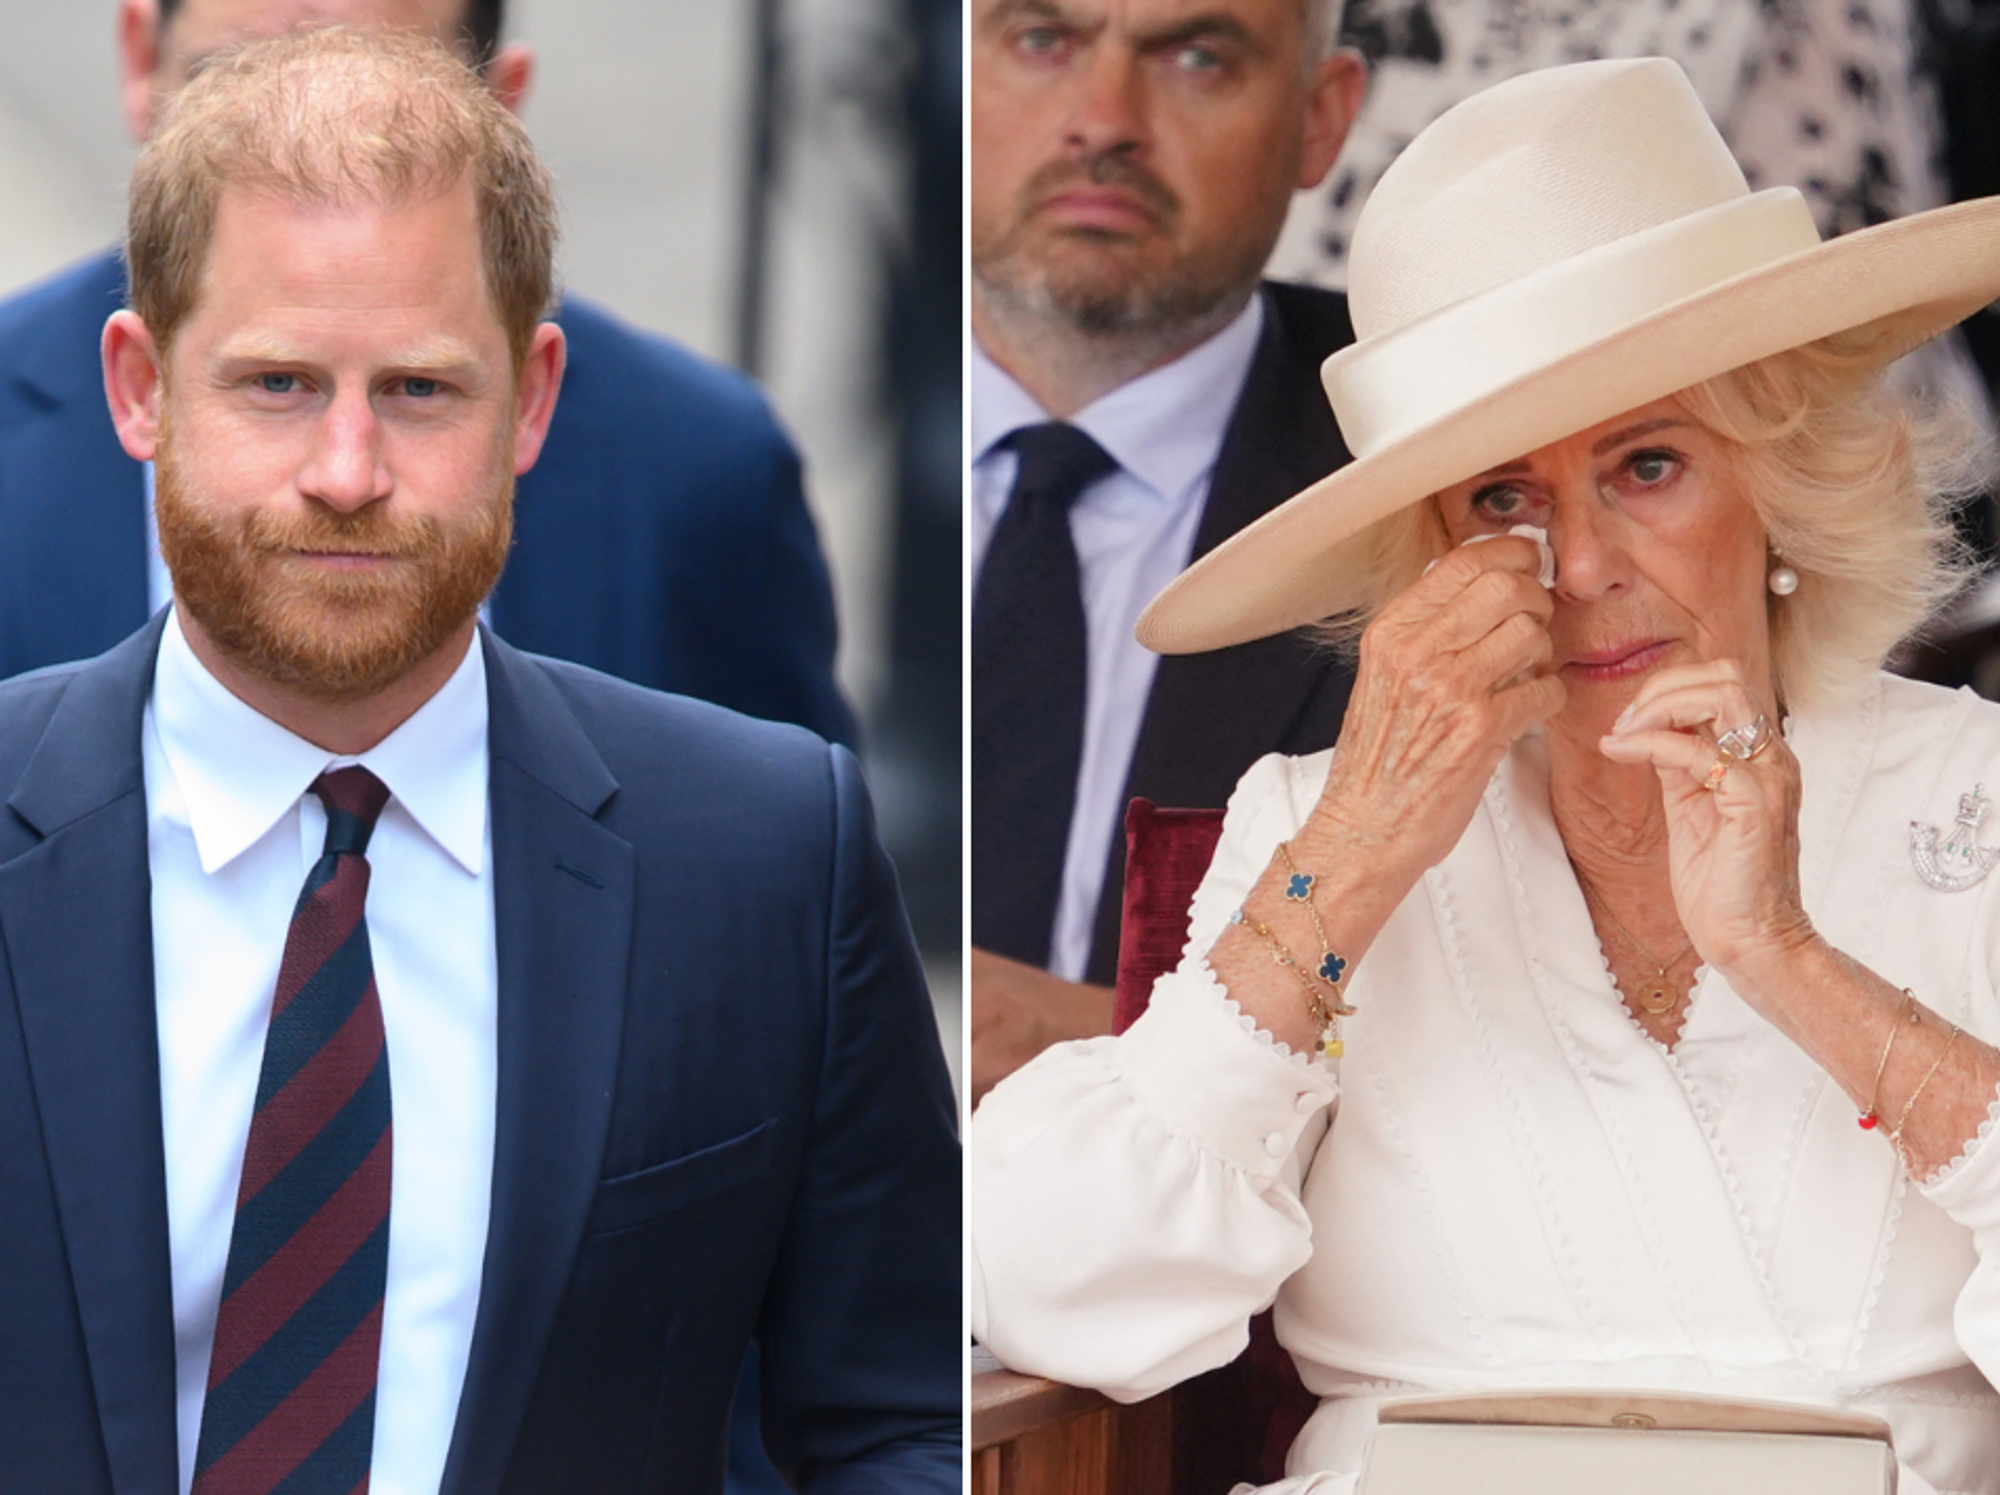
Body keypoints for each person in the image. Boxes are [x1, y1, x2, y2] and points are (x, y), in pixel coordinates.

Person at [970, 56, 2000, 1495]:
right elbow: (1037, 1278)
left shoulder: (1975, 794)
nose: (1578, 569)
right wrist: (1362, 847)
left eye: (1646, 465)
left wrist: (1784, 955)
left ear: (1779, 477)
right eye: (1503, 499)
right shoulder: (1317, 827)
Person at [0, 28, 958, 1493]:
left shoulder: (768, 859)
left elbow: (894, 1415)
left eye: (421, 391)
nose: (346, 470)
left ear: (537, 396)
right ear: (139, 388)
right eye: (273, 384)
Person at [0, 0, 857, 749]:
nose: (345, 476)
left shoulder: (703, 470)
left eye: (389, 103)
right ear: (138, 61)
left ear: (501, 113)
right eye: (234, 79)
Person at [968, 0, 1369, 1102]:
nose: (1102, 121)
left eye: (1196, 56)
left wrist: (1110, 1047)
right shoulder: (766, 463)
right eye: (1040, 39)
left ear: (1320, 119)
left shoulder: (1450, 484)